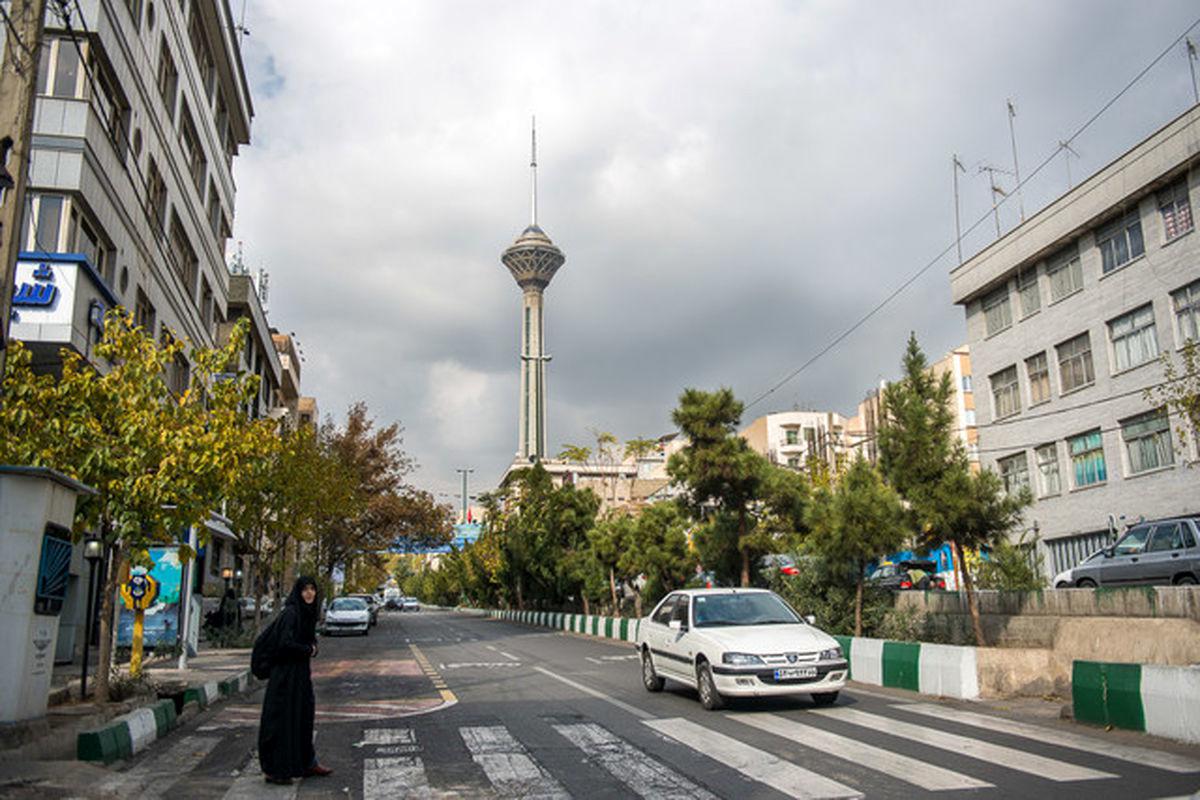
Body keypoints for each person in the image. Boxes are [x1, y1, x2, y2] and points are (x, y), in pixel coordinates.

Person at [258, 576, 332, 784]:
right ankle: (275, 769)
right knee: (282, 720)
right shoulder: (291, 613)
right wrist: (308, 649)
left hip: (300, 674)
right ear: (297, 593)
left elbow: (307, 638)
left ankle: (307, 763)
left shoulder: (306, 613)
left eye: (312, 589)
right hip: (284, 676)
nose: (309, 593)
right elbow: (284, 644)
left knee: (303, 716)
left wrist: (311, 646)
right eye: (305, 590)